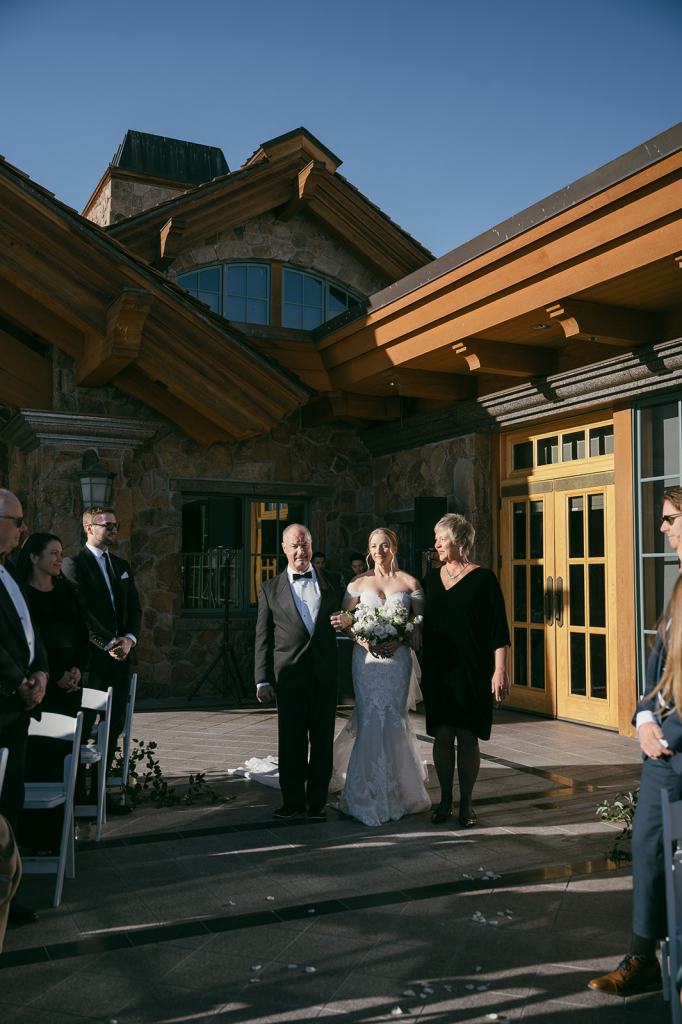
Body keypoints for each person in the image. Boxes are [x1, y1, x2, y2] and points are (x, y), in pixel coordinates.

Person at [588, 485, 682, 996]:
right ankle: (643, 960)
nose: (663, 528)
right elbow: (657, 669)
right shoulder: (679, 589)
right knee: (647, 850)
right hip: (663, 755)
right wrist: (645, 720)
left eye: (670, 518)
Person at [330, 528, 430, 826]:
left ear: (394, 547)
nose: (379, 551)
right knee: (370, 717)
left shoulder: (410, 582)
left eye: (384, 545)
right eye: (374, 546)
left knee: (394, 717)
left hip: (398, 661)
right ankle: (363, 792)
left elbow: (419, 621)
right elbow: (345, 619)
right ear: (369, 550)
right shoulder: (358, 583)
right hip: (367, 660)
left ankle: (402, 791)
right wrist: (361, 639)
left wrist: (403, 637)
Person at [421, 513, 510, 827]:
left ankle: (467, 804)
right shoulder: (431, 579)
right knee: (442, 734)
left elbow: (499, 629)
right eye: (436, 539)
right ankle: (445, 800)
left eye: (441, 539)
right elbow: (418, 621)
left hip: (473, 669)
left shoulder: (484, 579)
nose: (436, 545)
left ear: (459, 541)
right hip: (439, 670)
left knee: (468, 735)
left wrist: (500, 670)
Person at [254, 524, 339, 821]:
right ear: (284, 549)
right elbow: (263, 637)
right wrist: (261, 679)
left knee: (323, 741)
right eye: (295, 546)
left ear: (311, 546)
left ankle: (317, 803)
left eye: (305, 545)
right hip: (289, 677)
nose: (301, 551)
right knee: (291, 741)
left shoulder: (333, 582)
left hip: (324, 675)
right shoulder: (269, 589)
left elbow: (349, 618)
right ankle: (292, 802)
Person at [62, 507, 141, 815]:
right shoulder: (74, 564)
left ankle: (98, 795)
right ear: (89, 527)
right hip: (91, 662)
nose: (113, 529)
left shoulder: (121, 565)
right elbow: (81, 611)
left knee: (114, 726)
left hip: (120, 661)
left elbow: (134, 608)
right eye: (107, 525)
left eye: (115, 525)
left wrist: (128, 640)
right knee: (83, 727)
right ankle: (75, 796)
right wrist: (107, 643)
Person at [0, 489, 47, 926]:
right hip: (3, 704)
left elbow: (30, 631)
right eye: (17, 522)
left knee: (10, 800)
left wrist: (42, 673)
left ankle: (6, 894)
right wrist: (18, 682)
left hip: (16, 712)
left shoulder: (9, 572)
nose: (23, 529)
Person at [16, 533, 89, 718]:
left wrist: (77, 669)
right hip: (37, 688)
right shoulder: (20, 596)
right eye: (54, 553)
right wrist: (55, 675)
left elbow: (82, 633)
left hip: (70, 687)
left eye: (61, 554)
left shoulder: (68, 591)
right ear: (34, 557)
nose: (60, 559)